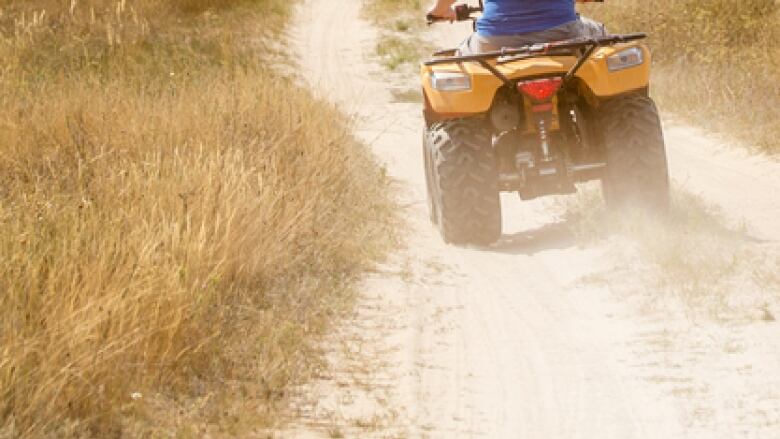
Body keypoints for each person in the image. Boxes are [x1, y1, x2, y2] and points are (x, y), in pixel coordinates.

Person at [427, 0, 607, 55]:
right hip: (562, 33)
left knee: (461, 66)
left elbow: (443, 5)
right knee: (605, 39)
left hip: (495, 40)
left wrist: (438, 12)